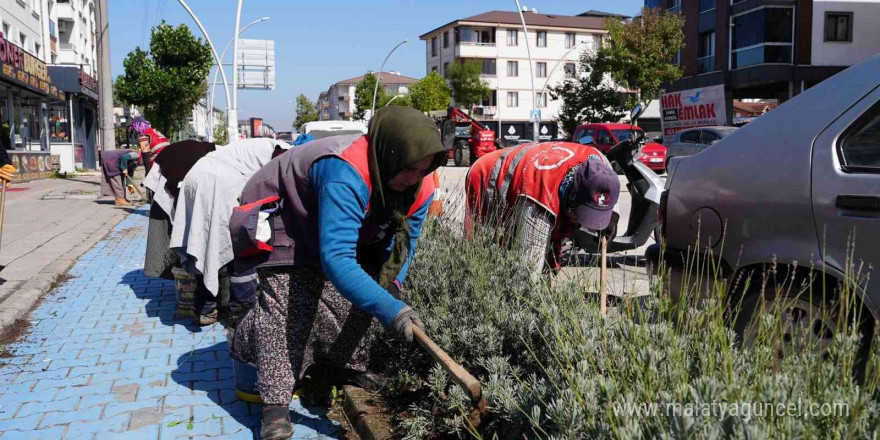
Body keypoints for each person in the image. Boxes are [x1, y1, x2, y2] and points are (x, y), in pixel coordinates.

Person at [228, 107, 446, 440]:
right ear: (389, 153)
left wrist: (393, 288)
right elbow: (338, 260)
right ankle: (274, 405)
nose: (413, 178)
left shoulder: (422, 184)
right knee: (289, 300)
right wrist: (392, 311)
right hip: (285, 211)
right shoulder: (346, 171)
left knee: (368, 292)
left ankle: (340, 368)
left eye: (423, 169)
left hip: (325, 212)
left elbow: (405, 245)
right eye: (408, 168)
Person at [170, 138, 290, 326]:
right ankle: (241, 312)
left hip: (194, 176)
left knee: (204, 246)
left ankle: (205, 308)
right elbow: (280, 188)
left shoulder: (256, 146)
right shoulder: (285, 152)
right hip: (220, 181)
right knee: (241, 247)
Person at [465, 141, 621, 279]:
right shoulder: (539, 196)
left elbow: (609, 205)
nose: (581, 222)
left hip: (534, 177)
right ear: (571, 196)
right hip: (487, 176)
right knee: (483, 257)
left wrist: (607, 222)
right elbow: (528, 271)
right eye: (579, 214)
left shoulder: (603, 171)